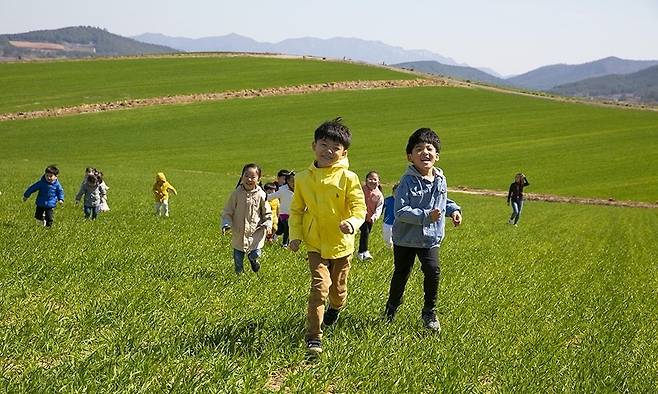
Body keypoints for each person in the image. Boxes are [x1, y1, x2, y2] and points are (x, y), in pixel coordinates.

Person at [289, 118, 366, 354]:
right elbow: (296, 210)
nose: (329, 151)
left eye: (335, 147)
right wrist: (295, 236)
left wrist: (352, 224)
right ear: (314, 146)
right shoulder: (302, 178)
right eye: (324, 144)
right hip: (315, 244)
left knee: (338, 290)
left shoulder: (348, 178)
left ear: (344, 152)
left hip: (342, 244)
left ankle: (336, 307)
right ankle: (314, 337)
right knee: (319, 287)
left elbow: (359, 208)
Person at [384, 128, 462, 333]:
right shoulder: (406, 182)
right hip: (405, 239)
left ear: (437, 155)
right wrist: (426, 215)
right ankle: (391, 309)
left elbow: (443, 201)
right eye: (419, 149)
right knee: (401, 273)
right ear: (410, 156)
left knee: (433, 272)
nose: (425, 152)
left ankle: (429, 312)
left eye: (430, 148)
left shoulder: (440, 178)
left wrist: (453, 210)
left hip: (430, 239)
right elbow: (400, 211)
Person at [222, 163, 272, 274]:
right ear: (241, 177)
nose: (249, 179)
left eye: (253, 177)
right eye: (246, 176)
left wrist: (268, 224)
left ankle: (253, 260)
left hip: (256, 232)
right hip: (239, 232)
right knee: (238, 258)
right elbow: (228, 211)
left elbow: (267, 213)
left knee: (255, 253)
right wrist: (226, 223)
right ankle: (239, 276)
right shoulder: (236, 194)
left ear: (258, 179)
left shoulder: (261, 195)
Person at [357, 171, 384, 261]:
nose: (372, 181)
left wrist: (374, 217)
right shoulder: (361, 190)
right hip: (359, 216)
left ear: (378, 181)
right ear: (366, 180)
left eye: (375, 179)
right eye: (370, 179)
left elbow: (379, 208)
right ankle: (363, 252)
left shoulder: (379, 194)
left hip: (370, 218)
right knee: (365, 232)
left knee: (365, 233)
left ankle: (362, 252)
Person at [267, 171, 295, 247]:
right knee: (288, 227)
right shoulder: (283, 190)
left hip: (293, 214)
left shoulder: (298, 190)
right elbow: (273, 196)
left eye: (295, 181)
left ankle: (276, 237)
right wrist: (263, 197)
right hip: (284, 213)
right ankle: (285, 244)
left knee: (282, 229)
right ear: (288, 181)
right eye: (291, 181)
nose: (293, 183)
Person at [381, 183, 399, 249]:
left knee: (398, 238)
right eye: (396, 191)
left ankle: (396, 248)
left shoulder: (403, 202)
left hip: (399, 223)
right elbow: (381, 207)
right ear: (393, 191)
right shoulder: (388, 200)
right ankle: (389, 247)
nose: (397, 193)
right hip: (387, 223)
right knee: (387, 238)